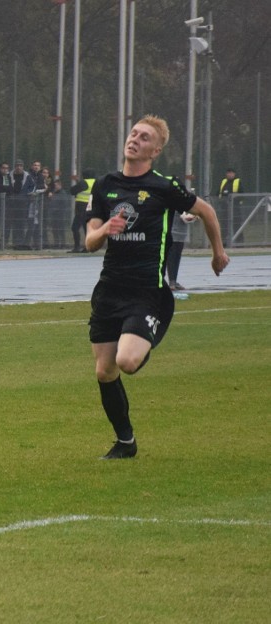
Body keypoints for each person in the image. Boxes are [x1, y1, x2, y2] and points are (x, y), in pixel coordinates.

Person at [85, 114, 229, 460]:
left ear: (156, 149)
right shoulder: (104, 184)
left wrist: (218, 253)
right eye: (133, 133)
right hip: (109, 290)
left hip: (147, 292)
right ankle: (125, 442)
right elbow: (90, 240)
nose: (134, 139)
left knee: (128, 361)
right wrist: (105, 230)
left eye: (144, 137)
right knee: (105, 371)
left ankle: (144, 337)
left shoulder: (165, 187)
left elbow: (207, 211)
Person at [6, 159, 35, 247]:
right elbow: (5, 186)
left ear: (22, 167)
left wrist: (28, 194)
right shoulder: (8, 175)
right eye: (17, 165)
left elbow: (33, 186)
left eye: (20, 166)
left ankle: (20, 243)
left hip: (23, 203)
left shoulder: (27, 176)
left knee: (21, 223)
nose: (18, 167)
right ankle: (9, 242)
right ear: (14, 166)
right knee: (10, 223)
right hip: (11, 203)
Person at [166, 211, 195, 291]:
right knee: (171, 255)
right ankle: (172, 282)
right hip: (172, 229)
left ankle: (174, 281)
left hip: (181, 231)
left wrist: (193, 215)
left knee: (177, 256)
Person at [68, 169, 95, 253]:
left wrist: (77, 183)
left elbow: (72, 191)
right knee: (86, 228)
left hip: (82, 206)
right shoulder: (96, 182)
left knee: (75, 227)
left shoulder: (84, 182)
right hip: (92, 206)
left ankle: (77, 247)